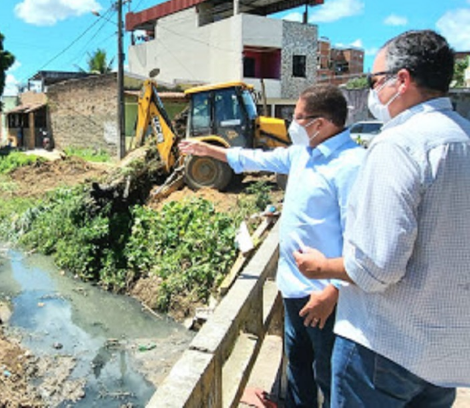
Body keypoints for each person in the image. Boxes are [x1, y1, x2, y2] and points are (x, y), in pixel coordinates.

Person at [294, 30, 470, 407]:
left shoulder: (399, 144)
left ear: (401, 80)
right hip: (449, 354)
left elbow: (377, 267)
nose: (373, 93)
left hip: (384, 349)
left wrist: (323, 266)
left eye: (376, 81)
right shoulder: (464, 139)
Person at [179, 85, 365, 408]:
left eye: (298, 118)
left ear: (320, 123)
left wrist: (333, 290)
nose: (293, 125)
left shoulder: (351, 165)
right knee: (298, 368)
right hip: (293, 287)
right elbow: (256, 158)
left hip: (325, 296)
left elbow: (360, 237)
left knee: (331, 375)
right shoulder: (301, 154)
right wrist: (209, 151)